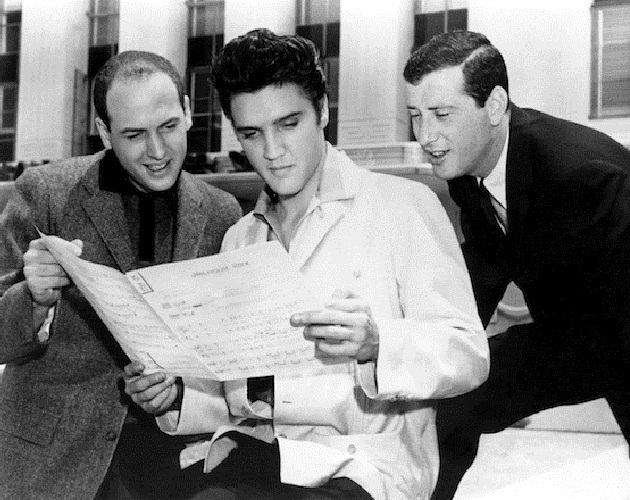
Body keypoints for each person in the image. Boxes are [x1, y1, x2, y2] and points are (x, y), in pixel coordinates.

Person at [123, 28, 489, 500]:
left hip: (363, 468)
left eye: (289, 124)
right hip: (264, 459)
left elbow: (469, 354)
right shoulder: (240, 240)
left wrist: (378, 344)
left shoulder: (403, 206)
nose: (272, 151)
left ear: (324, 111)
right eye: (252, 134)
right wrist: (175, 395)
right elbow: (237, 396)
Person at [0, 50, 241, 500]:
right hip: (51, 461)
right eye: (134, 135)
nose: (158, 151)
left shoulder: (221, 213)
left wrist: (180, 391)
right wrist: (33, 299)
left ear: (189, 111)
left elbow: (224, 353)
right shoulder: (46, 193)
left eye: (168, 126)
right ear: (104, 131)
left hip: (171, 459)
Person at [403, 30, 630, 500]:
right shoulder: (470, 172)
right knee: (453, 403)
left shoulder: (578, 172)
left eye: (442, 114)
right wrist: (433, 355)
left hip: (624, 328)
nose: (426, 137)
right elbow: (485, 270)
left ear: (494, 105)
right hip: (572, 335)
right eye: (416, 116)